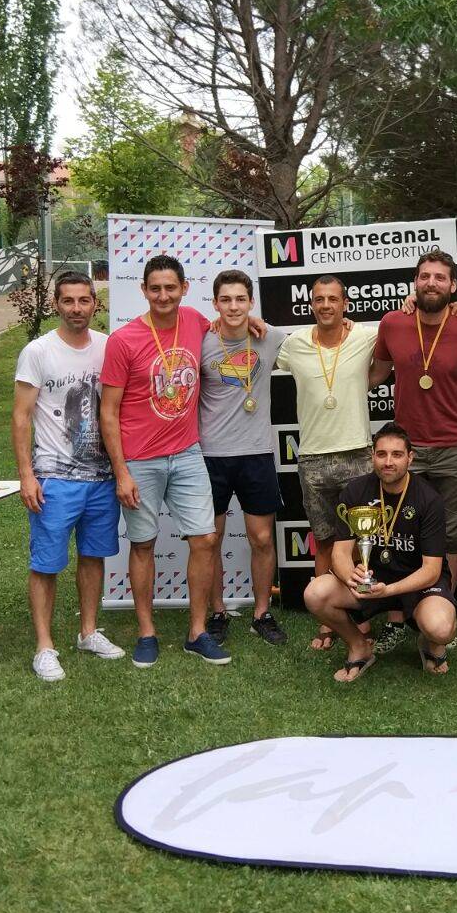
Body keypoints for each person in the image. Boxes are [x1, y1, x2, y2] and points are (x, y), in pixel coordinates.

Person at [101, 253, 233, 668]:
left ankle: (197, 631)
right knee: (143, 544)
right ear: (143, 290)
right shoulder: (123, 340)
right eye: (155, 288)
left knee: (205, 539)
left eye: (170, 288)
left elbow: (228, 327)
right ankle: (146, 632)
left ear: (184, 288)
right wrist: (121, 472)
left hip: (187, 452)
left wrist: (253, 323)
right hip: (139, 459)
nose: (163, 295)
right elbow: (109, 412)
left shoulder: (194, 321)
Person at [12, 271, 127, 681]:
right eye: (68, 301)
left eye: (83, 300)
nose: (76, 308)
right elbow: (21, 417)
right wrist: (26, 475)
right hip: (54, 478)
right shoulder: (38, 352)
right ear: (56, 304)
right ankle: (44, 647)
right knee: (46, 563)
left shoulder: (109, 347)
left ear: (95, 303)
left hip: (101, 478)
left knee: (93, 556)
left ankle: (88, 632)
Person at [371, 250, 457, 651]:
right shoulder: (392, 323)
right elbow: (374, 375)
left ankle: (443, 610)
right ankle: (396, 618)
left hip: (456, 446)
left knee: (453, 535)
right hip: (406, 449)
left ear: (453, 285)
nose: (431, 283)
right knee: (396, 533)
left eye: (440, 277)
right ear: (415, 282)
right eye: (424, 276)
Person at [274, 275, 391, 651]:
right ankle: (326, 619)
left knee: (362, 543)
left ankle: (363, 616)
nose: (326, 305)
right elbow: (256, 345)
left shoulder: (365, 336)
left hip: (358, 454)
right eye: (319, 299)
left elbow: (400, 332)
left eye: (333, 299)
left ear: (345, 305)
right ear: (311, 304)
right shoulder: (294, 344)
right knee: (324, 542)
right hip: (313, 459)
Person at [302, 422, 457, 683]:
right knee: (315, 593)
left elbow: (432, 570)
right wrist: (352, 577)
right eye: (381, 454)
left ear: (410, 457)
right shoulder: (356, 491)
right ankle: (358, 646)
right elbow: (340, 553)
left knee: (441, 628)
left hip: (418, 584)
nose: (388, 462)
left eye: (397, 454)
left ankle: (430, 642)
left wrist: (389, 590)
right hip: (372, 581)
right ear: (372, 456)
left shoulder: (429, 498)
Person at [198, 269, 287, 647]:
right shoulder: (201, 341)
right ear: (215, 303)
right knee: (210, 540)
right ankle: (218, 612)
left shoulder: (270, 337)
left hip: (256, 453)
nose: (233, 306)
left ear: (251, 302)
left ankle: (261, 613)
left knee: (262, 538)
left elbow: (319, 339)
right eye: (226, 300)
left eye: (240, 300)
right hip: (211, 455)